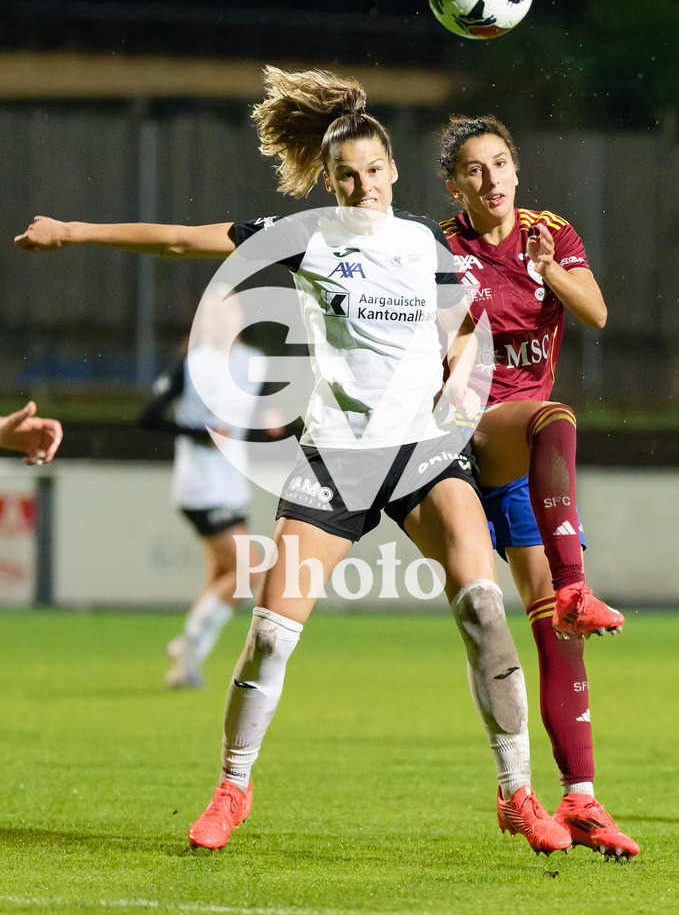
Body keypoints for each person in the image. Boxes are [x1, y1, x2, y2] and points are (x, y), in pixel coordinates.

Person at [15, 65, 573, 857]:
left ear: (392, 172)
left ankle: (517, 795)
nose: (362, 186)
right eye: (345, 176)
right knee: (272, 635)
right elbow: (183, 239)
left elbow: (459, 320)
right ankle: (231, 789)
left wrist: (454, 377)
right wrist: (73, 232)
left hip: (419, 457)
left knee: (484, 607)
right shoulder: (306, 238)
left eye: (373, 171)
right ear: (331, 181)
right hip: (335, 460)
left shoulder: (423, 244)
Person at [437, 114, 638, 858]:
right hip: (457, 444)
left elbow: (596, 311)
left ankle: (579, 799)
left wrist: (547, 272)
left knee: (551, 624)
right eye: (473, 169)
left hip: (524, 460)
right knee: (488, 618)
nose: (490, 180)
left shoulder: (549, 234)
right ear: (453, 183)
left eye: (500, 164)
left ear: (516, 170)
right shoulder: (439, 249)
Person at [140, 291, 271, 689]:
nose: (222, 321)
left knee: (222, 578)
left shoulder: (254, 363)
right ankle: (187, 645)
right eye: (214, 314)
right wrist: (200, 434)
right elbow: (149, 418)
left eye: (228, 313)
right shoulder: (191, 364)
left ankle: (186, 665)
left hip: (233, 486)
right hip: (199, 487)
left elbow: (250, 418)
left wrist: (273, 422)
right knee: (249, 573)